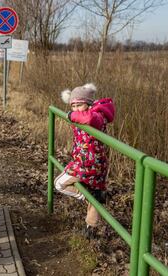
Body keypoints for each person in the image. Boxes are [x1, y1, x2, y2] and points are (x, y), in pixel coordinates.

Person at [54, 83, 115, 238]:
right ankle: (90, 229)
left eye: (79, 105)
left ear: (89, 104)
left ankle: (89, 196)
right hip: (93, 163)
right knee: (95, 196)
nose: (76, 109)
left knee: (59, 184)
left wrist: (70, 115)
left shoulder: (96, 115)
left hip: (88, 164)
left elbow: (88, 118)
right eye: (73, 106)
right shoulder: (93, 113)